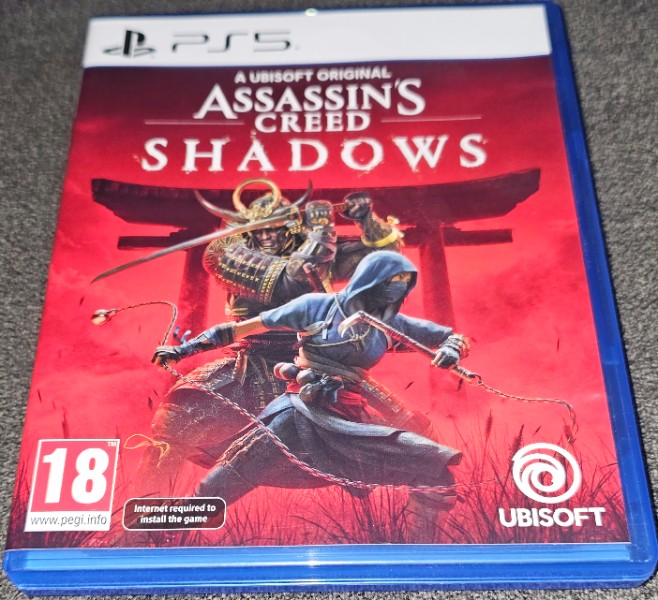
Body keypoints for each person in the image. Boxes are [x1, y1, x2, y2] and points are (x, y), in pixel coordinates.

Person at [153, 251, 469, 540]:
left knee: (432, 466)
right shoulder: (315, 306)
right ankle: (173, 523)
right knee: (244, 462)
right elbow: (238, 330)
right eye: (392, 279)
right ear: (371, 278)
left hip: (350, 414)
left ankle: (417, 552)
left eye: (404, 282)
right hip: (302, 407)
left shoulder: (390, 323)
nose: (397, 288)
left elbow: (453, 337)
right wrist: (183, 350)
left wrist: (452, 349)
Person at [137, 179, 403, 492]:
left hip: (321, 360)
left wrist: (366, 219)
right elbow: (293, 280)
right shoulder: (226, 253)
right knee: (174, 420)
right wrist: (322, 232)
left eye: (275, 229)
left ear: (290, 228)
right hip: (252, 361)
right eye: (260, 230)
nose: (266, 236)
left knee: (407, 426)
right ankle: (144, 509)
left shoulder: (311, 250)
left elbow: (387, 258)